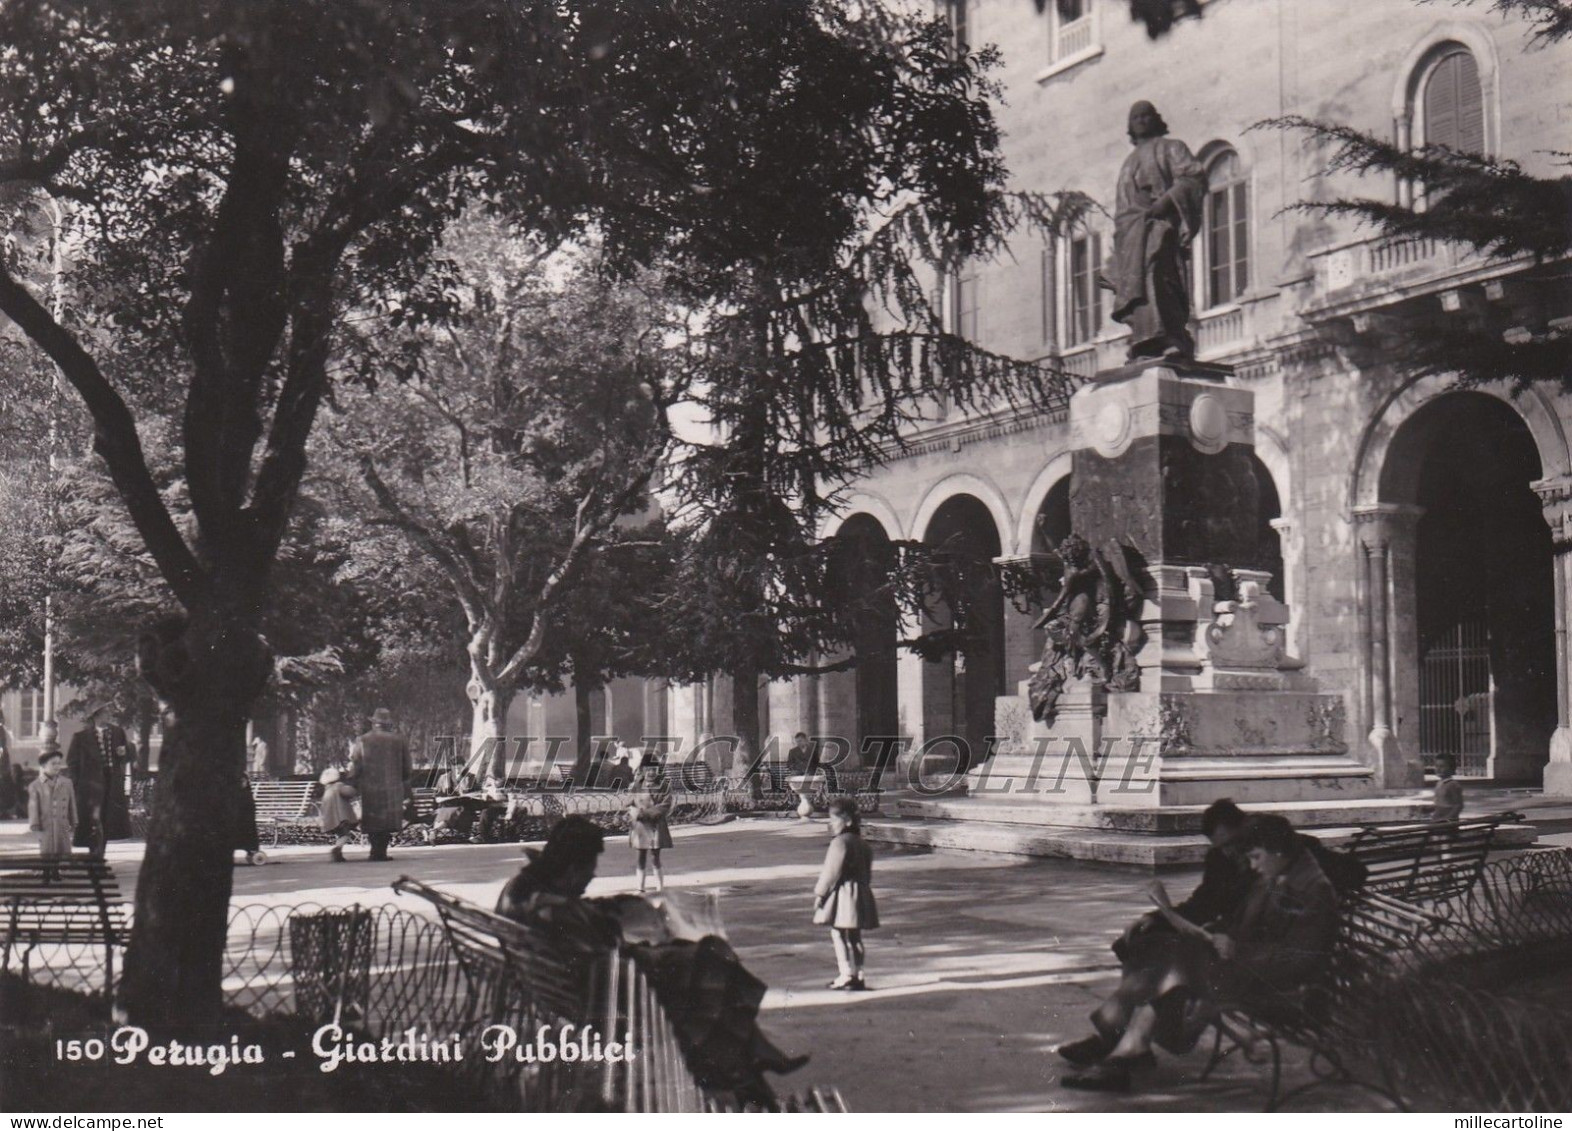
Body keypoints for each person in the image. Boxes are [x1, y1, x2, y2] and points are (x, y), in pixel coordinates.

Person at [496, 816, 807, 1105]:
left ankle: (748, 1064)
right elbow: (596, 948)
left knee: (701, 963)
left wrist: (609, 912)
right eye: (590, 867)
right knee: (710, 957)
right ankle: (744, 1069)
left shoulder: (524, 891)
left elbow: (577, 925)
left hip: (588, 983)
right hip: (612, 988)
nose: (593, 874)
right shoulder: (549, 906)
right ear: (573, 868)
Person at [1061, 814, 1340, 1092]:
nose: (1252, 866)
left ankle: (1126, 1045)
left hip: (1279, 986)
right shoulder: (1278, 872)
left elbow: (1301, 959)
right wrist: (1215, 932)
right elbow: (1242, 923)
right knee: (1158, 947)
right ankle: (1128, 1044)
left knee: (1177, 963)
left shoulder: (1313, 889)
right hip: (1248, 968)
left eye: (1256, 857)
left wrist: (1237, 949)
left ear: (1277, 851)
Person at [1105, 100, 1206, 361]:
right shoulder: (1129, 162)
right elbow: (1124, 205)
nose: (1140, 120)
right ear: (1130, 126)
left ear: (1156, 119)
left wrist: (1167, 201)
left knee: (1156, 272)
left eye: (1145, 115)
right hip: (1132, 231)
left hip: (1159, 225)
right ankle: (1144, 340)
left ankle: (1169, 335)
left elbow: (1194, 177)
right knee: (1136, 280)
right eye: (1135, 117)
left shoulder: (1172, 148)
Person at [813, 797, 878, 991]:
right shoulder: (863, 844)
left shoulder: (839, 843)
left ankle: (845, 974)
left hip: (843, 895)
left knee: (837, 933)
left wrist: (820, 895)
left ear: (846, 820)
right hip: (861, 892)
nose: (831, 824)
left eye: (833, 819)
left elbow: (831, 873)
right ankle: (859, 973)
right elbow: (867, 873)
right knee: (855, 937)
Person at [66, 704, 132, 860]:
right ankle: (94, 853)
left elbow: (127, 756)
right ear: (96, 716)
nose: (108, 716)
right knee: (92, 820)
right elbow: (72, 762)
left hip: (112, 783)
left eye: (108, 713)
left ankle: (101, 853)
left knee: (107, 819)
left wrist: (124, 753)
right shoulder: (81, 737)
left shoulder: (118, 732)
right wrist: (78, 784)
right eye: (104, 713)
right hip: (90, 786)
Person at [350, 706, 412, 862]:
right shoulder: (399, 740)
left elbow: (356, 765)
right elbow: (407, 767)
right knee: (387, 821)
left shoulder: (362, 740)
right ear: (388, 724)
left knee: (373, 819)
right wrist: (403, 780)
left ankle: (374, 851)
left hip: (370, 788)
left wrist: (353, 782)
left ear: (374, 723)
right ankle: (381, 851)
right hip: (392, 787)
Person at [28, 748, 77, 875]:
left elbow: (72, 803)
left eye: (58, 763)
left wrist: (74, 820)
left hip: (62, 823)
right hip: (46, 825)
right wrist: (35, 825)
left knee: (62, 848)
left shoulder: (67, 783)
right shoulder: (35, 785)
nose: (57, 766)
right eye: (53, 764)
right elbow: (33, 807)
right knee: (47, 849)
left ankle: (58, 871)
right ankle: (47, 872)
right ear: (44, 766)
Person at [628, 759, 673, 892]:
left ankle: (660, 888)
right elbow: (629, 803)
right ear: (642, 771)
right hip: (641, 825)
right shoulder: (637, 786)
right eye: (648, 770)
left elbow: (666, 804)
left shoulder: (664, 786)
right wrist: (635, 813)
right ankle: (640, 887)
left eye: (654, 769)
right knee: (641, 856)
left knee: (655, 856)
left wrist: (647, 813)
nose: (651, 773)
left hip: (656, 824)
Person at [318, 765, 360, 863]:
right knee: (345, 835)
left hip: (331, 819)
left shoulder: (327, 790)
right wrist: (353, 787)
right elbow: (350, 792)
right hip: (341, 817)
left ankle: (338, 853)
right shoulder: (339, 786)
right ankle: (337, 849)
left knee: (341, 835)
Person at [235, 771, 265, 866]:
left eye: (243, 781)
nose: (242, 783)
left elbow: (250, 808)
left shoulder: (247, 794)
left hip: (245, 821)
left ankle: (251, 850)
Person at [1431, 754, 1464, 821]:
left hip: (1447, 822)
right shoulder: (1439, 783)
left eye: (1442, 766)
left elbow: (1458, 805)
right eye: (1436, 766)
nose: (1438, 769)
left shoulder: (1453, 785)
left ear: (1451, 768)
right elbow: (1440, 802)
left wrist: (1448, 818)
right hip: (1437, 819)